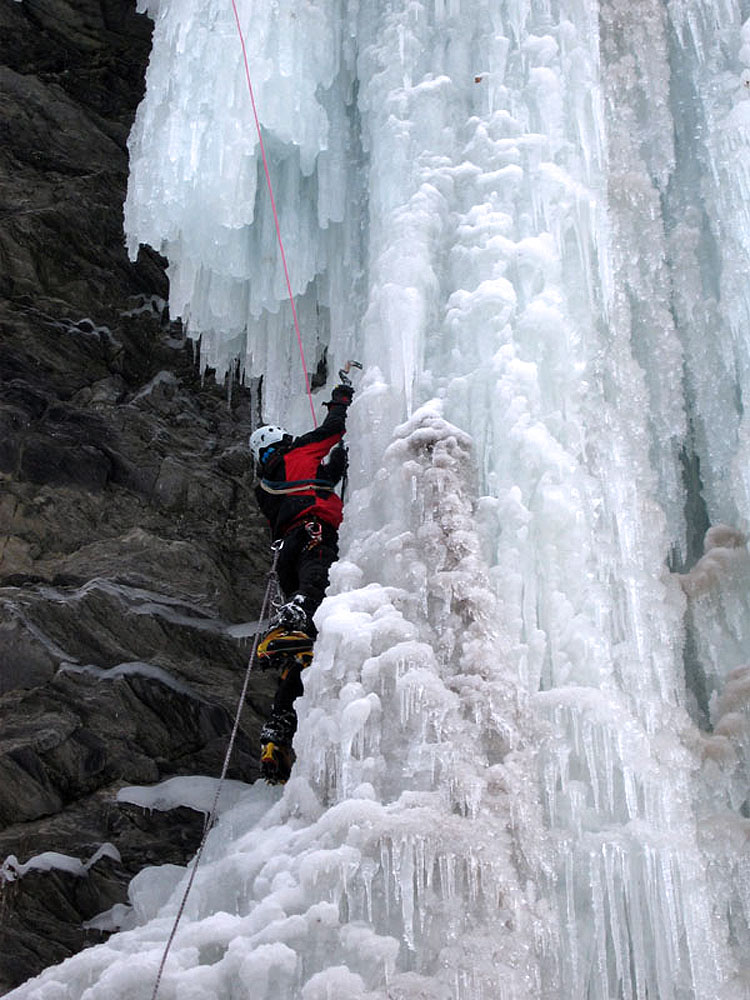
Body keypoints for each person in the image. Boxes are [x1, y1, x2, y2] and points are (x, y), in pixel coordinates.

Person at [249, 382, 354, 783]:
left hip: (284, 555)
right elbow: (331, 431)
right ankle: (294, 614)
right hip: (313, 533)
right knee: (319, 581)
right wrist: (342, 399)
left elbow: (316, 481)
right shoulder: (298, 451)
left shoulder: (265, 485)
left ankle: (278, 730)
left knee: (302, 653)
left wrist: (335, 469)